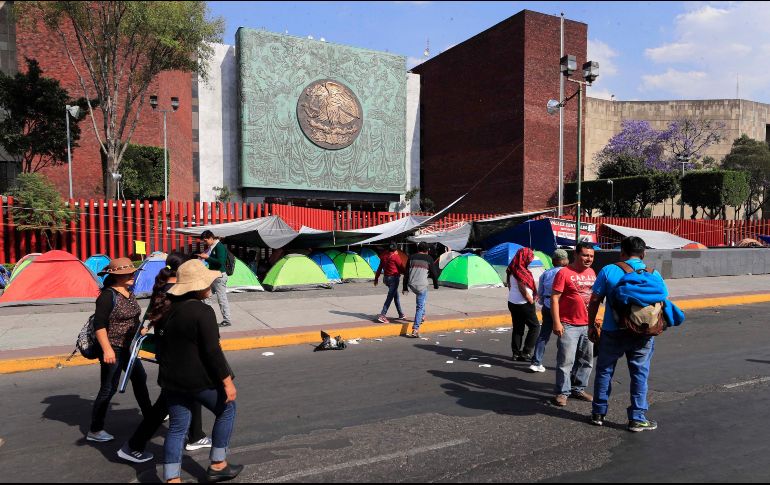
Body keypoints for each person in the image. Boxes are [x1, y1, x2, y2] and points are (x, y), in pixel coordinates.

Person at [117, 252, 211, 464]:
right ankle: (134, 445)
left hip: (168, 351)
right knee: (168, 403)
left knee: (188, 394)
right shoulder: (179, 293)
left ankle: (196, 435)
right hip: (181, 355)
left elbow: (152, 316)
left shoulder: (161, 288)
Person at [159, 259, 242, 483]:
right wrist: (227, 382)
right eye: (207, 282)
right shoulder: (202, 312)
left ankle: (172, 479)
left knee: (177, 428)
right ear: (197, 286)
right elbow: (213, 352)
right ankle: (218, 463)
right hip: (197, 379)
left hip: (171, 379)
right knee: (227, 409)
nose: (210, 286)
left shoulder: (168, 309)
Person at [588, 236, 661, 432]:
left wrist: (591, 325)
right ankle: (637, 418)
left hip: (612, 331)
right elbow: (661, 302)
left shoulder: (608, 270)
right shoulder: (654, 274)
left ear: (621, 252)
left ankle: (598, 413)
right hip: (642, 333)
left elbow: (594, 300)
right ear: (643, 254)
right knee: (639, 373)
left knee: (604, 371)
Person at [87, 258, 152, 443]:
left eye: (133, 272)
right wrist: (107, 350)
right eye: (128, 273)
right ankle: (95, 429)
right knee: (108, 388)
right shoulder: (107, 296)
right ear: (117, 276)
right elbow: (99, 325)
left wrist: (140, 329)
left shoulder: (128, 292)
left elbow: (131, 317)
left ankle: (149, 414)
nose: (133, 275)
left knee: (140, 378)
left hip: (128, 348)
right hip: (113, 348)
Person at [551, 242, 597, 407]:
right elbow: (554, 298)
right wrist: (557, 322)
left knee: (586, 361)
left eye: (591, 256)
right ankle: (563, 392)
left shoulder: (592, 272)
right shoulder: (564, 273)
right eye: (585, 255)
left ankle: (578, 389)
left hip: (588, 324)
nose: (588, 259)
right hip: (568, 324)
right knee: (566, 361)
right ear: (576, 255)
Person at [529, 249, 570, 373]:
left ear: (553, 261)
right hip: (562, 306)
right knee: (564, 337)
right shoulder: (567, 272)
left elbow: (540, 292)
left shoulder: (545, 274)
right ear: (563, 260)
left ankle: (536, 362)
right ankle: (563, 364)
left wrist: (544, 303)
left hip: (547, 306)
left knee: (543, 335)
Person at [505, 248, 540, 362]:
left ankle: (515, 353)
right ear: (524, 257)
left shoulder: (512, 268)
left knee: (518, 328)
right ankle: (526, 352)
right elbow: (521, 287)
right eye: (529, 258)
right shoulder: (520, 270)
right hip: (523, 303)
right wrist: (530, 300)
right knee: (535, 327)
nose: (530, 260)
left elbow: (510, 285)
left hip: (512, 301)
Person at [402, 242, 439, 338]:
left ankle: (422, 316)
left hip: (411, 284)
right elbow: (434, 273)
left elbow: (406, 273)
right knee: (420, 306)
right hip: (421, 286)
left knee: (422, 301)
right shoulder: (429, 258)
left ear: (418, 249)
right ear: (427, 250)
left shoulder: (411, 257)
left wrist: (405, 287)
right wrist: (436, 285)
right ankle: (415, 329)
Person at [197, 230, 232, 328]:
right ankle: (209, 318)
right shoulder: (211, 247)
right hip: (212, 276)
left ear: (211, 238)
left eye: (206, 240)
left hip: (219, 276)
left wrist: (207, 257)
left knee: (221, 298)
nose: (205, 242)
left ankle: (227, 320)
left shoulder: (219, 246)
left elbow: (220, 262)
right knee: (205, 296)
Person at [374, 243, 406, 323]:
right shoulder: (395, 256)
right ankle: (382, 315)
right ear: (395, 249)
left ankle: (400, 314)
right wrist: (406, 274)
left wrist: (376, 279)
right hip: (394, 279)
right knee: (390, 297)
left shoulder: (384, 257)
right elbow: (401, 267)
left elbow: (379, 268)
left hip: (386, 279)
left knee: (395, 296)